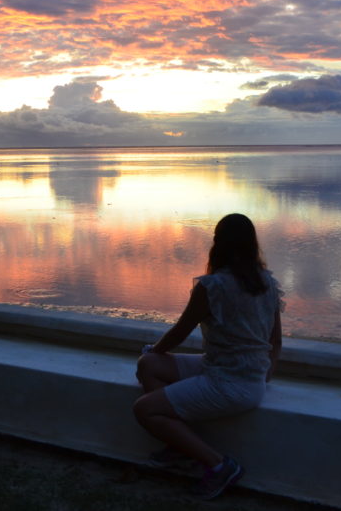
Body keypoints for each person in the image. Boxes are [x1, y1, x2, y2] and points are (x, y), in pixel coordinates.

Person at [133, 213, 283, 500]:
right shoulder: (266, 282)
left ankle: (220, 465)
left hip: (229, 383)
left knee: (144, 409)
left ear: (218, 244)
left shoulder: (212, 286)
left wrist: (154, 348)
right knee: (148, 366)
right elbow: (275, 340)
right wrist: (265, 374)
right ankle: (180, 447)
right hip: (229, 371)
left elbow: (179, 333)